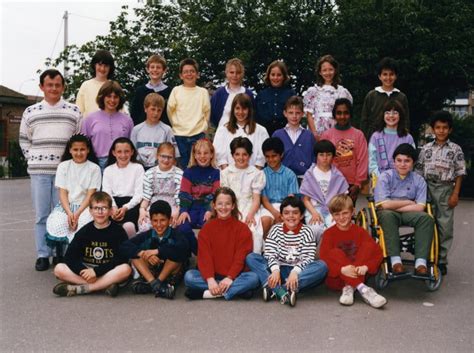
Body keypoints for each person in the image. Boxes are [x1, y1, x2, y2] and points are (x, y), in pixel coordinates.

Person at [19, 69, 82, 271]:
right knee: (42, 214)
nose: (53, 88)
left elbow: (78, 140)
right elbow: (23, 140)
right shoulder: (31, 112)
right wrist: (34, 158)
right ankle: (43, 254)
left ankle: (60, 253)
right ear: (42, 87)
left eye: (57, 85)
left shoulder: (73, 111)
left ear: (63, 87)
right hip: (39, 171)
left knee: (63, 213)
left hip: (65, 173)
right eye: (49, 85)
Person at [246, 196, 328, 305]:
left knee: (322, 266)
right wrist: (275, 270)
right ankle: (282, 289)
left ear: (302, 215)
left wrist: (295, 272)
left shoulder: (307, 231)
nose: (291, 216)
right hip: (278, 270)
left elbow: (308, 257)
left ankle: (277, 289)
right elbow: (270, 253)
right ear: (281, 216)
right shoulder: (275, 230)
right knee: (251, 257)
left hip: (298, 272)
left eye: (295, 213)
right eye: (286, 213)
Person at [184, 187, 259, 300]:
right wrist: (210, 279)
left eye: (227, 204)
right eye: (220, 204)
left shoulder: (243, 229)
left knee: (254, 278)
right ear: (214, 205)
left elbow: (241, 257)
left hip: (234, 276)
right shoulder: (206, 228)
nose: (223, 207)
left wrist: (230, 277)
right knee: (189, 277)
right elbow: (204, 257)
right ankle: (236, 291)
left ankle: (208, 294)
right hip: (213, 275)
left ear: (233, 206)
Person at [52, 191, 132, 297]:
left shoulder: (118, 231)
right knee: (59, 269)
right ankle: (105, 285)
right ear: (90, 211)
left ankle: (83, 288)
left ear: (110, 211)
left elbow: (122, 258)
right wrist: (83, 270)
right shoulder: (85, 231)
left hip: (107, 270)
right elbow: (69, 256)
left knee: (125, 269)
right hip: (87, 271)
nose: (100, 212)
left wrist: (97, 271)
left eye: (104, 208)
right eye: (96, 208)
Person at [415, 111, 466, 275]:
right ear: (433, 129)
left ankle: (441, 260)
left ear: (450, 130)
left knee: (445, 227)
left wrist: (455, 194)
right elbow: (419, 172)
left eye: (445, 128)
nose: (441, 131)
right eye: (438, 127)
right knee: (427, 223)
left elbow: (459, 172)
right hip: (428, 187)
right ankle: (425, 257)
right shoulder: (426, 148)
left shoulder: (455, 149)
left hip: (446, 190)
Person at [375, 143, 434, 275]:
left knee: (426, 219)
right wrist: (407, 202)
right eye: (399, 160)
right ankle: (396, 262)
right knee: (387, 215)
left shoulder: (419, 180)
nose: (403, 164)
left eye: (407, 161)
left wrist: (395, 205)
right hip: (389, 213)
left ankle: (420, 264)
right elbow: (384, 205)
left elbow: (420, 207)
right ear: (394, 161)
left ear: (413, 162)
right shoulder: (385, 177)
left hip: (408, 212)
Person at [319, 194, 387, 308]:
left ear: (352, 212)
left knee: (369, 246)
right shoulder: (328, 234)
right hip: (337, 278)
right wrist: (341, 269)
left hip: (359, 272)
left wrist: (367, 267)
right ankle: (364, 289)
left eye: (345, 213)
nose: (341, 217)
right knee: (335, 253)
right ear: (332, 216)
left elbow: (377, 253)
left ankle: (350, 286)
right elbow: (323, 258)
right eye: (337, 214)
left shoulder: (360, 231)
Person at [121, 200, 190, 299]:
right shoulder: (147, 235)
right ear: (150, 220)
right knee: (135, 255)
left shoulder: (176, 234)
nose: (158, 224)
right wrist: (143, 254)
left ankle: (154, 284)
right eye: (155, 221)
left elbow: (184, 248)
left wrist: (158, 251)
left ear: (170, 220)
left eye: (162, 220)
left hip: (171, 273)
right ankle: (155, 285)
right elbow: (125, 246)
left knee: (177, 254)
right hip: (153, 271)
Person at [45, 134, 101, 255]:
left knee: (83, 224)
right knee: (58, 222)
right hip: (67, 206)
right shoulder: (63, 166)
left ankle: (80, 256)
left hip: (85, 207)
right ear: (70, 150)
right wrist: (70, 213)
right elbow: (63, 192)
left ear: (88, 150)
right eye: (75, 149)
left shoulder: (94, 168)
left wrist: (77, 214)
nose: (79, 153)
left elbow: (91, 194)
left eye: (82, 149)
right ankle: (60, 255)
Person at [221, 137, 266, 253]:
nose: (241, 158)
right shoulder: (226, 173)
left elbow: (256, 199)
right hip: (230, 207)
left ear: (250, 155)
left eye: (244, 154)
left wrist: (250, 215)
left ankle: (252, 261)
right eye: (237, 154)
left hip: (250, 206)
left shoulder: (256, 173)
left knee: (253, 230)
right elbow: (224, 197)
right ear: (232, 155)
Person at [176, 139, 220, 255]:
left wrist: (210, 210)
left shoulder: (216, 173)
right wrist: (184, 211)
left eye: (206, 153)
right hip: (190, 207)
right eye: (199, 153)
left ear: (211, 154)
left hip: (206, 208)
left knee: (207, 229)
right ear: (194, 155)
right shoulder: (188, 172)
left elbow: (216, 193)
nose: (202, 156)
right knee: (182, 227)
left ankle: (205, 256)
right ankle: (199, 254)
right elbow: (185, 193)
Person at [300, 140, 349, 243]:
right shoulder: (310, 174)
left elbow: (343, 199)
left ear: (333, 156)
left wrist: (338, 213)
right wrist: (314, 213)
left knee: (336, 226)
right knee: (315, 228)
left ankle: (331, 253)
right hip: (314, 208)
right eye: (321, 155)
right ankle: (315, 252)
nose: (325, 158)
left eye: (328, 155)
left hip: (333, 209)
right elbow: (305, 199)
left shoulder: (337, 175)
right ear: (316, 156)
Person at [321, 98, 368, 204]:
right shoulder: (327, 135)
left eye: (346, 113)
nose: (342, 116)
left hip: (351, 184)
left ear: (350, 114)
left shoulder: (358, 135)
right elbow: (321, 161)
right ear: (334, 115)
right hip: (331, 183)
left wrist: (358, 184)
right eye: (339, 113)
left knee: (347, 216)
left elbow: (363, 160)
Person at [81, 80, 134, 171]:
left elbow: (131, 144)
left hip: (120, 162)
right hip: (96, 163)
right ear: (102, 97)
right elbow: (83, 144)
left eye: (116, 97)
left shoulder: (127, 120)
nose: (112, 100)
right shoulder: (90, 119)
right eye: (109, 96)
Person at [167, 58, 211, 167]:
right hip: (179, 135)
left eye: (192, 71)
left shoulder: (203, 92)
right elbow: (169, 110)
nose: (189, 74)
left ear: (197, 74)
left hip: (198, 134)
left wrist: (203, 128)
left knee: (198, 165)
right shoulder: (176, 90)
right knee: (182, 166)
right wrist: (176, 125)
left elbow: (207, 112)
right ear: (181, 75)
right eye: (186, 72)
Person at [102, 137, 145, 238]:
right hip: (112, 204)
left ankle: (132, 249)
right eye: (119, 152)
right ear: (113, 153)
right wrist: (113, 207)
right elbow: (106, 192)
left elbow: (139, 194)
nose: (123, 155)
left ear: (132, 152)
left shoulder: (138, 168)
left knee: (128, 226)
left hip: (132, 204)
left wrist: (125, 208)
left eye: (126, 151)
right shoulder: (108, 170)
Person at [213, 93, 269, 169]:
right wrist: (229, 175)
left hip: (253, 177)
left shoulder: (261, 131)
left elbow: (261, 159)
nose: (240, 112)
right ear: (233, 109)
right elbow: (220, 157)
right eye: (237, 108)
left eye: (244, 109)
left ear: (249, 110)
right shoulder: (222, 130)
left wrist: (253, 175)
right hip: (228, 177)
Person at [303, 54, 353, 140]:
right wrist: (314, 133)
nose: (328, 73)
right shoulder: (313, 91)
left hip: (337, 129)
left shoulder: (342, 92)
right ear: (320, 72)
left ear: (335, 70)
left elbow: (345, 114)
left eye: (330, 69)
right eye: (324, 70)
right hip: (318, 131)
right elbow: (309, 115)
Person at [361, 57, 410, 139]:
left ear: (396, 76)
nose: (388, 78)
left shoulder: (401, 97)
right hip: (374, 139)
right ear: (379, 76)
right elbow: (364, 121)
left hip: (396, 138)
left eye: (391, 74)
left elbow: (406, 121)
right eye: (385, 74)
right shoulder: (371, 96)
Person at [138, 142, 183, 232]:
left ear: (174, 158)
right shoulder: (149, 174)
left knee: (171, 225)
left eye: (169, 157)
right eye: (163, 156)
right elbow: (146, 198)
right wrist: (142, 210)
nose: (166, 160)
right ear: (157, 156)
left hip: (172, 207)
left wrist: (177, 212)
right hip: (154, 206)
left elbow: (179, 197)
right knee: (144, 225)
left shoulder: (179, 174)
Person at [260, 137, 299, 237]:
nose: (271, 159)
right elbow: (264, 200)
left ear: (281, 155)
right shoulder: (261, 174)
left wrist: (282, 213)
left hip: (286, 206)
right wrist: (274, 212)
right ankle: (265, 249)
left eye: (274, 156)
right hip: (267, 207)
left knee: (282, 225)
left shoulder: (290, 174)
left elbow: (291, 198)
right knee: (265, 221)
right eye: (267, 157)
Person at [131, 92, 179, 170]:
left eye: (159, 110)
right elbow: (132, 153)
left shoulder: (167, 130)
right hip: (139, 168)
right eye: (153, 109)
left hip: (160, 168)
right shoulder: (136, 129)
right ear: (145, 108)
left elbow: (174, 155)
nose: (156, 113)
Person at [272, 96, 316, 180]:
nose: (294, 116)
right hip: (282, 178)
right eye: (291, 112)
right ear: (285, 113)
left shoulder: (309, 135)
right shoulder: (277, 135)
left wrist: (309, 176)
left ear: (302, 114)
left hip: (304, 179)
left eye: (298, 113)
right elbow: (272, 158)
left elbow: (314, 159)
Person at [368, 100, 415, 177]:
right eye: (387, 112)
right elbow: (372, 162)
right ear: (382, 115)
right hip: (380, 181)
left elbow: (412, 161)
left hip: (402, 182)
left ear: (401, 116)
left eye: (395, 113)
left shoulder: (408, 138)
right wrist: (381, 178)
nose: (391, 116)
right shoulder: (375, 137)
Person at [210, 57, 255, 128]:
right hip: (223, 131)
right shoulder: (219, 93)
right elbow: (213, 115)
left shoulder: (248, 94)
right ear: (226, 73)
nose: (235, 75)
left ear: (242, 74)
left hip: (244, 130)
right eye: (232, 72)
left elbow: (252, 114)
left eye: (238, 73)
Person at [256, 60, 296, 136]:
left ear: (284, 76)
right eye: (273, 75)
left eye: (279, 75)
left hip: (285, 133)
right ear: (268, 76)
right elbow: (256, 116)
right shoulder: (261, 95)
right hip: (264, 133)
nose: (275, 78)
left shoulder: (291, 94)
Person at [130, 54, 172, 126]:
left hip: (163, 133)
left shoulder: (170, 91)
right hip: (143, 132)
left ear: (164, 70)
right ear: (147, 69)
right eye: (152, 67)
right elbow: (134, 114)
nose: (155, 70)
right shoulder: (140, 91)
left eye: (158, 67)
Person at [76, 49, 115, 118]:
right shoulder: (85, 85)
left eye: (106, 66)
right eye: (100, 65)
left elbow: (121, 112)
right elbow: (78, 112)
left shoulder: (114, 86)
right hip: (88, 127)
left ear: (110, 68)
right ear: (94, 65)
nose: (102, 69)